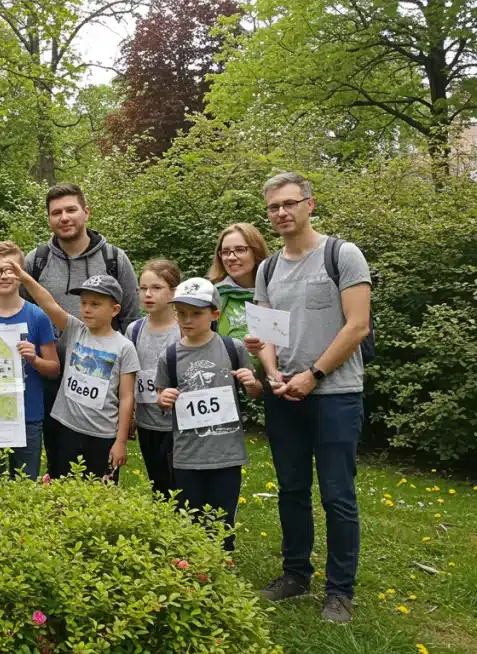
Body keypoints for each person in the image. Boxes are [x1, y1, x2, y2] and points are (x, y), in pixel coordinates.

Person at [246, 172, 372, 624]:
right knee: (292, 489)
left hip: (335, 393)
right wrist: (275, 374)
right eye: (273, 207)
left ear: (310, 204)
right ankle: (295, 574)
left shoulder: (343, 255)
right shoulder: (267, 268)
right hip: (285, 395)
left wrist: (314, 375)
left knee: (337, 495)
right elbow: (265, 333)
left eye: (289, 204)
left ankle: (340, 592)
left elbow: (356, 326)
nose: (281, 213)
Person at [22, 183, 141, 476]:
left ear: (86, 212)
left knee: (101, 471)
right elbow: (34, 307)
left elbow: (130, 317)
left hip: (105, 379)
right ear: (49, 218)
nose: (64, 217)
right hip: (51, 378)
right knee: (60, 465)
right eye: (56, 212)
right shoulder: (36, 260)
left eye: (71, 210)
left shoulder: (114, 259)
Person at [155, 278, 263, 551]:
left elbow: (254, 392)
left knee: (222, 520)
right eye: (181, 313)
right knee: (188, 519)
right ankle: (191, 570)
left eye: (196, 313)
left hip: (226, 453)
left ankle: (220, 570)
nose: (187, 320)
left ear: (214, 314)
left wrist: (252, 383)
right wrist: (163, 399)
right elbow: (161, 395)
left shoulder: (232, 348)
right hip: (187, 454)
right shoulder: (169, 356)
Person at [7, 260, 138, 480]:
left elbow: (126, 397)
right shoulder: (76, 330)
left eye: (95, 304)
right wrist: (24, 277)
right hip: (64, 428)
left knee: (98, 496)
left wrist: (121, 441)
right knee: (62, 491)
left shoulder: (124, 347)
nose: (87, 309)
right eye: (84, 303)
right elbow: (48, 303)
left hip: (101, 434)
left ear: (115, 309)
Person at [0, 242, 60, 480]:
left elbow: (54, 368)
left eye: (12, 270)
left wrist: (35, 359)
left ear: (22, 275)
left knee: (25, 486)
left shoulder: (37, 316)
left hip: (27, 416)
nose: (5, 276)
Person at [124, 259, 182, 498]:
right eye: (143, 288)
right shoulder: (134, 331)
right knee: (159, 489)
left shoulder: (184, 330)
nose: (148, 295)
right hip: (148, 424)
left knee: (181, 491)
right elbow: (132, 378)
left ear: (173, 291)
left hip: (179, 426)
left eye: (156, 288)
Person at [207, 223, 272, 342]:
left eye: (240, 250)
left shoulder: (275, 291)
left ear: (256, 252)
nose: (231, 257)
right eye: (225, 252)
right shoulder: (213, 296)